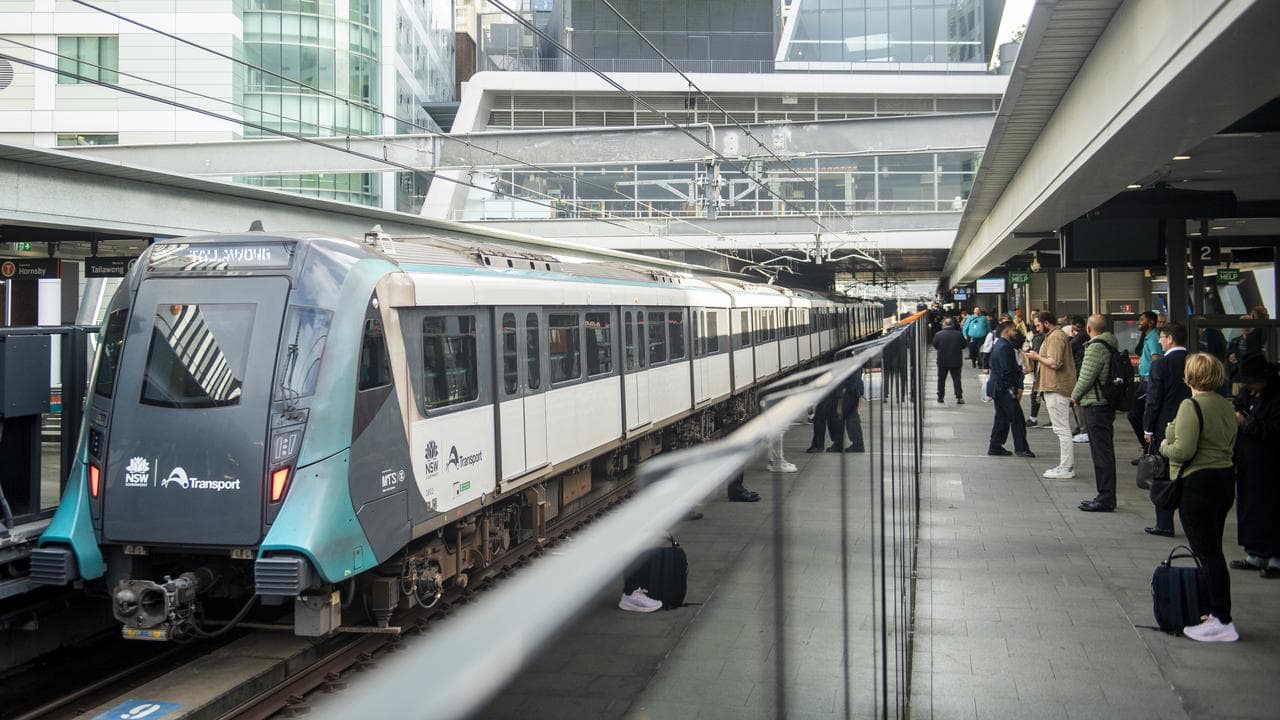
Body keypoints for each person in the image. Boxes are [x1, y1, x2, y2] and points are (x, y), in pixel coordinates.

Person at [1159, 353, 1239, 642]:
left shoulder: (1190, 405)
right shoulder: (1224, 405)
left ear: (1189, 376)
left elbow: (1183, 450)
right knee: (1213, 548)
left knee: (1208, 553)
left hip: (1198, 483)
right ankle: (1215, 612)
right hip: (1224, 478)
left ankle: (1221, 619)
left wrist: (1165, 446)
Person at [1230, 354, 1280, 577]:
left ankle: (1275, 556)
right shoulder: (1247, 393)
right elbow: (1238, 405)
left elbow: (1273, 431)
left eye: (1252, 383)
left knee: (1271, 509)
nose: (1249, 388)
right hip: (1247, 459)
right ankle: (1254, 552)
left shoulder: (1276, 398)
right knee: (1249, 506)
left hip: (1271, 462)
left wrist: (1247, 423)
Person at [1142, 322, 1191, 537]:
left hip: (1166, 425)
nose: (1160, 341)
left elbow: (1153, 400)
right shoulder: (1194, 361)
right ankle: (1190, 522)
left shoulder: (1161, 365)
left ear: (1170, 339)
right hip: (1193, 422)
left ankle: (1164, 523)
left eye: (1162, 337)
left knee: (1162, 473)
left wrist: (1148, 428)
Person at [1072, 315, 1119, 512]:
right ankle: (1106, 495)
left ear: (1089, 329)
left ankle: (1105, 497)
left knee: (1101, 454)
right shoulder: (1110, 344)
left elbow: (1086, 376)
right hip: (1105, 404)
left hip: (1096, 405)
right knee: (1105, 452)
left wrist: (1074, 396)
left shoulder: (1096, 347)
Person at [1026, 312, 1076, 478]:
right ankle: (1066, 465)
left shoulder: (1055, 337)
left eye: (1038, 325)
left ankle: (1066, 466)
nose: (1036, 328)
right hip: (1054, 386)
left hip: (1057, 387)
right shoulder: (1055, 336)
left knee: (1062, 429)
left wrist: (1036, 356)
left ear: (1046, 323)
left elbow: (1054, 362)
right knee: (1061, 428)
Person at [987, 322, 1035, 458]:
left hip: (999, 388)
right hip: (1004, 389)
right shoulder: (1004, 347)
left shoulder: (1001, 345)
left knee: (1001, 418)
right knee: (1017, 419)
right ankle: (1021, 448)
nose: (1016, 333)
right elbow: (1008, 370)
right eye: (1014, 330)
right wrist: (1014, 388)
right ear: (1007, 331)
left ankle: (995, 446)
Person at [1127, 311, 1162, 458]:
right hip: (1145, 380)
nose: (1138, 322)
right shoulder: (1148, 337)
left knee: (1134, 414)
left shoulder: (1153, 338)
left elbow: (1156, 358)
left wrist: (1154, 379)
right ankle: (1147, 448)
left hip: (1149, 381)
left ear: (1151, 322)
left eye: (1142, 320)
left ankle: (1148, 448)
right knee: (1138, 414)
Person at [932, 317, 966, 404]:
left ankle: (940, 397)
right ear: (953, 325)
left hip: (942, 361)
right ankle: (959, 397)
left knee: (941, 379)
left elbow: (935, 346)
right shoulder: (959, 334)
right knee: (957, 379)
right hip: (956, 361)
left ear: (944, 324)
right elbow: (964, 345)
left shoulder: (938, 334)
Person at [1067, 315, 1089, 442]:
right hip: (1079, 371)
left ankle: (1083, 429)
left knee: (1077, 400)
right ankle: (1082, 428)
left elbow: (1068, 348)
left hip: (1079, 372)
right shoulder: (1082, 337)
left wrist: (1071, 337)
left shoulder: (1080, 336)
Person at [1025, 315, 1047, 427]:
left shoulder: (1039, 338)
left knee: (1037, 394)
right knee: (1042, 394)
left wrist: (1029, 351)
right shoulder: (1044, 337)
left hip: (1041, 371)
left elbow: (1037, 354)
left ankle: (1033, 418)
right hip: (1042, 370)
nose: (1037, 328)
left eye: (1038, 325)